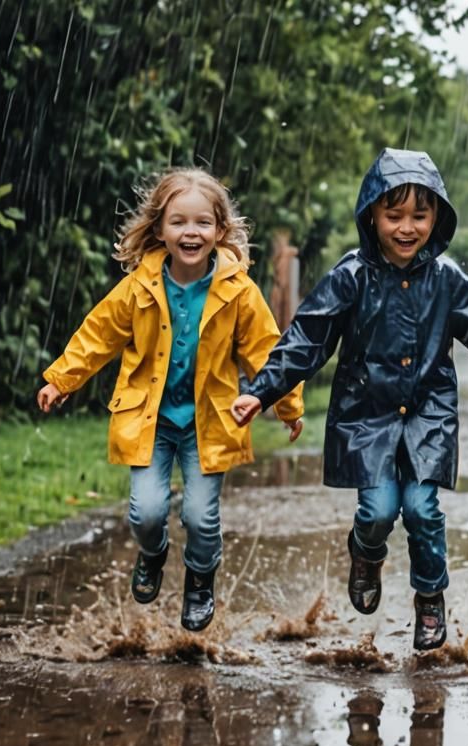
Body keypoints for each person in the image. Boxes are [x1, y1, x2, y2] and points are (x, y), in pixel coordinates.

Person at [231, 148, 468, 651]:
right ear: (372, 215)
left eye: (420, 215)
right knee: (379, 510)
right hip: (366, 415)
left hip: (428, 413)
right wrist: (261, 391)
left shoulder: (447, 279)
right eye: (394, 215)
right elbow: (305, 340)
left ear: (437, 218)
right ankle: (366, 554)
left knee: (423, 508)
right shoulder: (350, 276)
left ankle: (430, 600)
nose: (407, 228)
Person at [37, 168, 304, 632]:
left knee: (201, 517)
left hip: (207, 422)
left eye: (202, 223)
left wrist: (286, 404)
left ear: (220, 230)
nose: (191, 232)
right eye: (178, 222)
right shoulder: (139, 287)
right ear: (160, 228)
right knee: (146, 513)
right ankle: (154, 551)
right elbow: (98, 335)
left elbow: (267, 350)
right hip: (151, 419)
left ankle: (201, 579)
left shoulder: (238, 291)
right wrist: (62, 378)